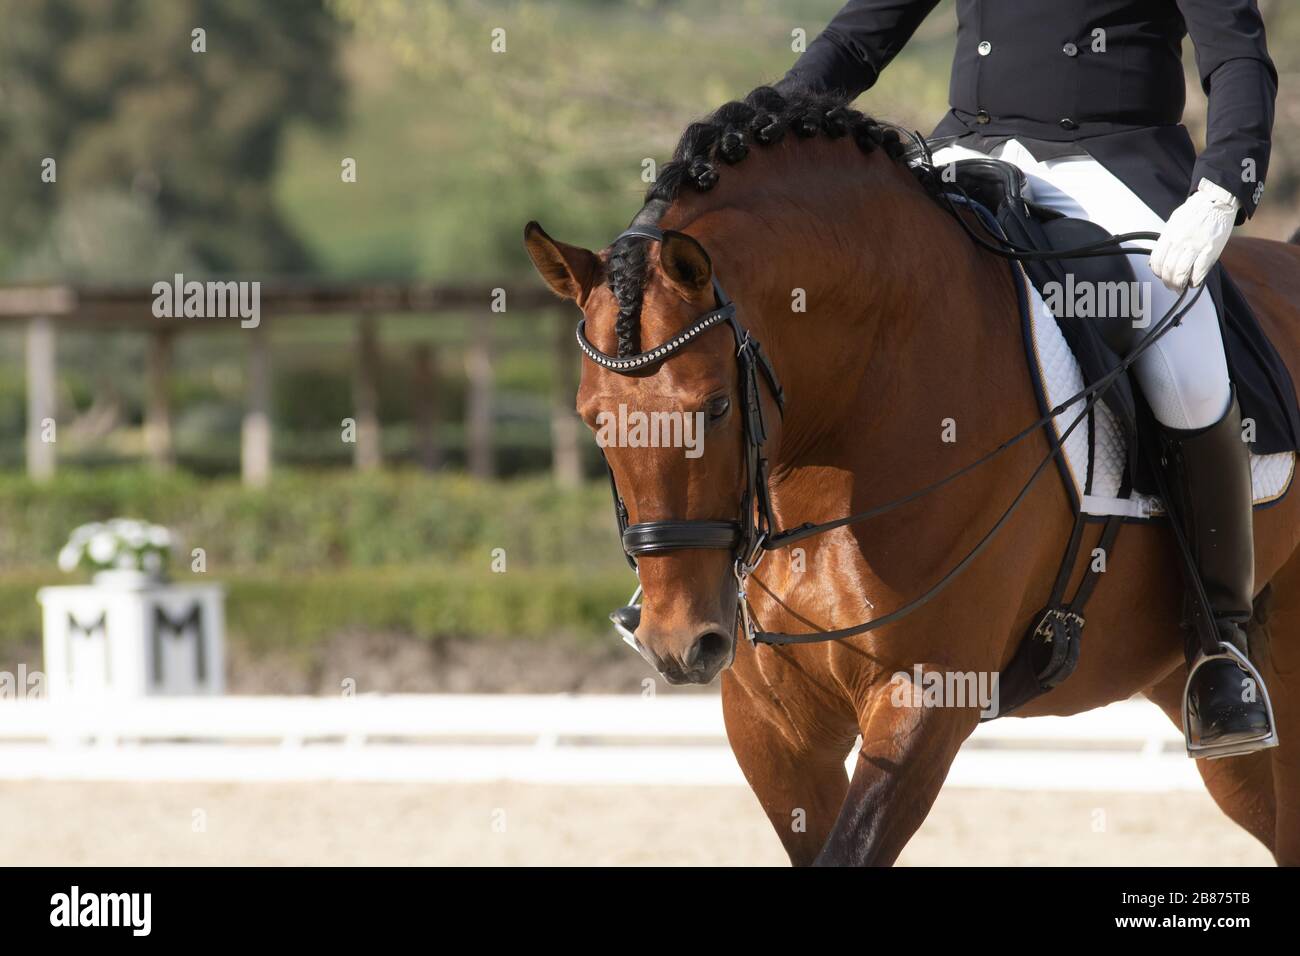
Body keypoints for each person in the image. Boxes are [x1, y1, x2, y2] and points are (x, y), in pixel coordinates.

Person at [778, 0, 1280, 757]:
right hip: (964, 157)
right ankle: (712, 548)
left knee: (1188, 361)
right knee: (821, 292)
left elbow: (1236, 56)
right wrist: (770, 132)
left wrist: (1221, 187)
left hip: (1112, 165)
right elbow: (859, 38)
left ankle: (1218, 644)